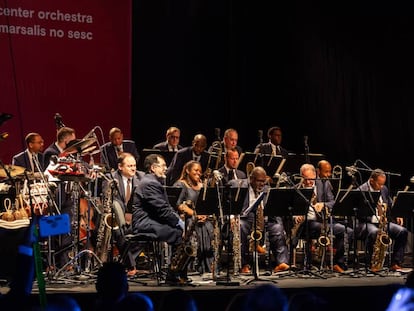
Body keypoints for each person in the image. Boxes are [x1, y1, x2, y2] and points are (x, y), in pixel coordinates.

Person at [131, 153, 186, 284]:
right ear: (153, 168)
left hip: (152, 221)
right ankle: (173, 275)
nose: (165, 168)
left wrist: (179, 221)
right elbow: (162, 210)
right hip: (144, 224)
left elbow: (166, 207)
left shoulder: (153, 182)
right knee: (178, 233)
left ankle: (178, 274)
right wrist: (180, 223)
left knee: (179, 230)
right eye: (163, 166)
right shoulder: (150, 183)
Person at [293, 163, 353, 273]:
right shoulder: (296, 189)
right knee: (319, 226)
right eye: (305, 179)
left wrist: (323, 204)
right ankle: (310, 262)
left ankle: (337, 263)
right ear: (301, 177)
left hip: (322, 220)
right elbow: (290, 209)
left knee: (347, 231)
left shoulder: (324, 185)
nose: (308, 182)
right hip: (306, 223)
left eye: (311, 179)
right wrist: (295, 216)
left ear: (315, 175)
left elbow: (332, 202)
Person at [238, 166, 290, 274]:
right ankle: (243, 264)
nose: (262, 184)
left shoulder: (267, 189)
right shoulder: (241, 186)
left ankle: (281, 263)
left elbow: (274, 209)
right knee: (240, 227)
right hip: (247, 219)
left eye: (264, 181)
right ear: (251, 179)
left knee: (277, 228)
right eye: (259, 181)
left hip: (264, 218)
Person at [355, 168, 409, 272]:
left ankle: (395, 262)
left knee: (402, 231)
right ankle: (374, 263)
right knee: (374, 232)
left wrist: (397, 214)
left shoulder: (383, 189)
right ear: (371, 181)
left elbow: (389, 205)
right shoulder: (361, 190)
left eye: (382, 184)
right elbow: (360, 214)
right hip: (366, 222)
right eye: (378, 184)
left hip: (382, 222)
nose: (381, 187)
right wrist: (377, 218)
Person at [100, 152, 144, 276]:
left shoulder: (141, 178)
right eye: (130, 166)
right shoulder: (109, 178)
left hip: (134, 217)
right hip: (116, 217)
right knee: (119, 232)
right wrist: (123, 215)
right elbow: (109, 199)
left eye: (134, 165)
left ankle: (124, 262)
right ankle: (131, 265)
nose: (133, 168)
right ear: (120, 167)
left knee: (148, 230)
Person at [173, 160, 214, 274]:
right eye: (195, 170)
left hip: (201, 218)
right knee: (193, 223)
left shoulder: (202, 186)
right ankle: (191, 264)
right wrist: (196, 214)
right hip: (187, 218)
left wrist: (204, 214)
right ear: (187, 170)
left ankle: (207, 265)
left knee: (209, 225)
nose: (198, 173)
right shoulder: (181, 184)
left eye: (200, 171)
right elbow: (179, 205)